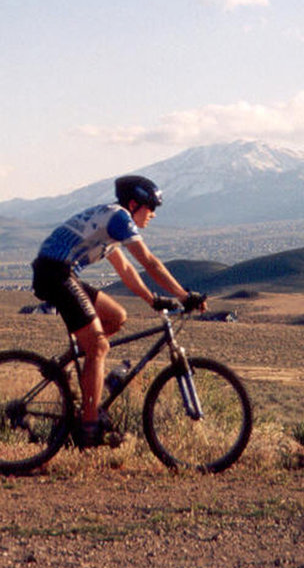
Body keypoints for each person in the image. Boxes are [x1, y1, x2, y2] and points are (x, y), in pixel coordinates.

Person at [31, 175, 206, 446]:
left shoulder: (112, 222)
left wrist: (152, 299)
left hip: (61, 273)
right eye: (151, 208)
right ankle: (89, 428)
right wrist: (184, 295)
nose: (153, 215)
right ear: (134, 204)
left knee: (116, 317)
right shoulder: (120, 218)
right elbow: (150, 262)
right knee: (99, 347)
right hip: (55, 274)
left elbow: (125, 270)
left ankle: (66, 363)